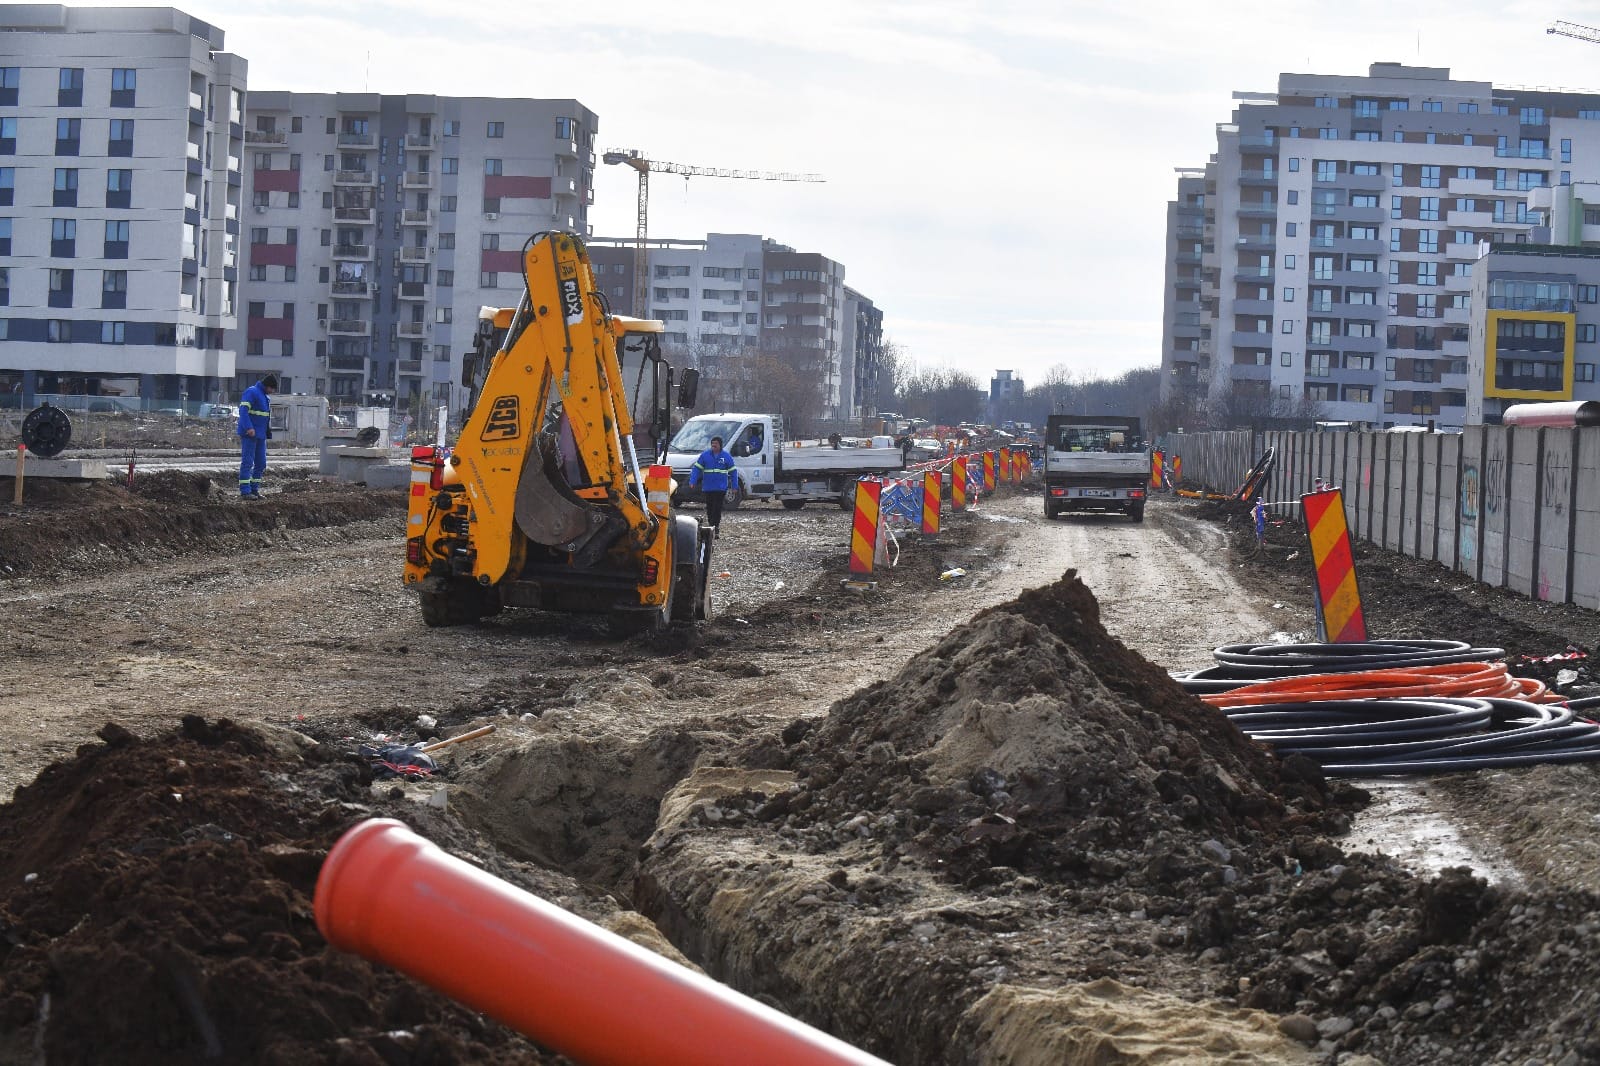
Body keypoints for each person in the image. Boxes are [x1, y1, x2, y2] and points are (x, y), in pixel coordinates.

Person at [236, 373, 277, 498]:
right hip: (250, 434)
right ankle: (245, 491)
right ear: (267, 386)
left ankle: (254, 489)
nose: (273, 391)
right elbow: (243, 411)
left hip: (260, 435)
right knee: (247, 462)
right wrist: (249, 428)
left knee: (261, 463)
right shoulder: (252, 392)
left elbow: (264, 417)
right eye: (272, 388)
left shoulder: (265, 397)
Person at [689, 435, 740, 534]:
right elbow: (696, 469)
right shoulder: (705, 455)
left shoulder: (726, 456)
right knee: (710, 507)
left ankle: (715, 526)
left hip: (720, 488)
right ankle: (711, 525)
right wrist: (692, 481)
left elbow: (733, 472)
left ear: (720, 445)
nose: (713, 446)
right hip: (708, 487)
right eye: (712, 444)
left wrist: (735, 486)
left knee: (717, 507)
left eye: (715, 444)